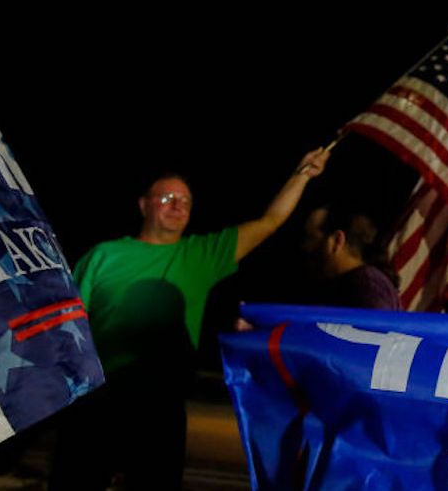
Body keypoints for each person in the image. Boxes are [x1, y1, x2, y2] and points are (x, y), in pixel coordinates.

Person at [50, 147, 329, 491]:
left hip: (160, 408)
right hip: (97, 403)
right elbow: (68, 324)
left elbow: (269, 222)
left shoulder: (201, 255)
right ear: (143, 205)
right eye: (167, 197)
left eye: (186, 200)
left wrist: (302, 174)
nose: (178, 205)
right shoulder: (105, 254)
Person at [301, 204, 400, 310]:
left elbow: (376, 326)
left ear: (337, 240)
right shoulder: (353, 284)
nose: (304, 247)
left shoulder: (368, 286)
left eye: (311, 238)